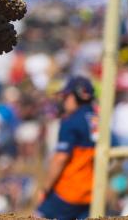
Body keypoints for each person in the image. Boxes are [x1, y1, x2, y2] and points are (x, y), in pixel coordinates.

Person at [37, 76, 97, 220]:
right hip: (92, 194)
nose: (64, 100)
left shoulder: (71, 122)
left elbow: (60, 158)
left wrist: (45, 188)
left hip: (68, 192)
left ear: (75, 96)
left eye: (66, 96)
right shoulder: (98, 120)